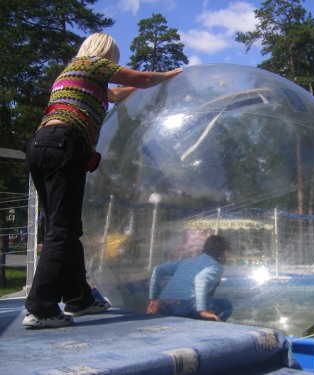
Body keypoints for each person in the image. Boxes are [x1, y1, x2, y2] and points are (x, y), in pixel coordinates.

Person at [23, 32, 183, 329]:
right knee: (63, 229)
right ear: (106, 53)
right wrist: (170, 75)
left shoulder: (74, 73)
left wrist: (138, 90)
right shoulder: (92, 64)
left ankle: (79, 300)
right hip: (64, 143)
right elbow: (143, 79)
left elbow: (115, 94)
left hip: (41, 145)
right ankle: (41, 307)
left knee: (68, 228)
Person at [147, 235, 233, 322]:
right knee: (225, 305)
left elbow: (158, 270)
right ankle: (205, 325)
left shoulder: (187, 261)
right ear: (224, 252)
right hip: (182, 307)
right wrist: (202, 310)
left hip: (162, 306)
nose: (227, 257)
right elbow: (200, 279)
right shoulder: (215, 266)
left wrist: (153, 299)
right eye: (228, 254)